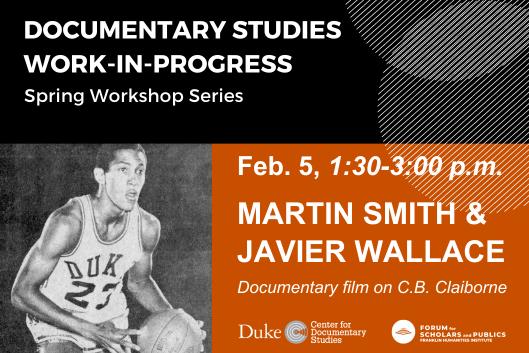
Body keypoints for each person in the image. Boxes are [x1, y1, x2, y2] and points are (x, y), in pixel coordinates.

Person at [11, 144, 206, 353]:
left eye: (139, 171)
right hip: (60, 321)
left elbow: (139, 282)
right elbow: (21, 293)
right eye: (124, 170)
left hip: (110, 325)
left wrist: (180, 322)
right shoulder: (68, 222)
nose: (134, 180)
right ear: (100, 175)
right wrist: (87, 329)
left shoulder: (146, 227)